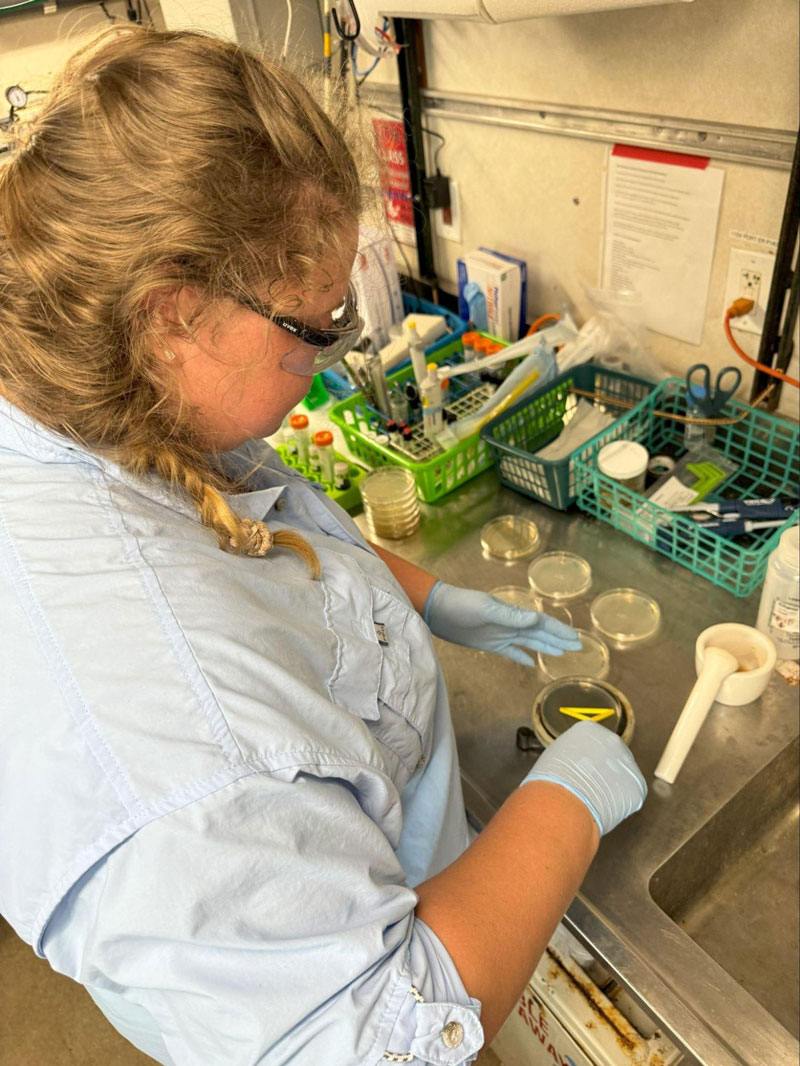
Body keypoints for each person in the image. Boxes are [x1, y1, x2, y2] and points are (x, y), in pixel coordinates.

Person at [0, 25, 647, 1066]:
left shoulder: (77, 386)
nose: (333, 352)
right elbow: (386, 1029)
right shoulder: (182, 754)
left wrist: (422, 596)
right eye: (317, 326)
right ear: (175, 312)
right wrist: (564, 805)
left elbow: (241, 516)